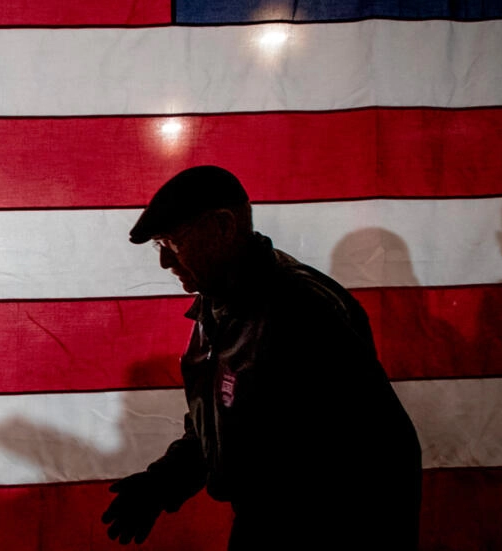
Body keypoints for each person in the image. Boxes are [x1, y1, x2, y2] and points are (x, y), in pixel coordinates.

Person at [101, 166, 422, 550]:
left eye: (172, 242)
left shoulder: (300, 309)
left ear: (222, 226)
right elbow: (221, 425)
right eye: (160, 246)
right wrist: (163, 482)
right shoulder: (216, 307)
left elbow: (382, 449)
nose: (165, 263)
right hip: (266, 522)